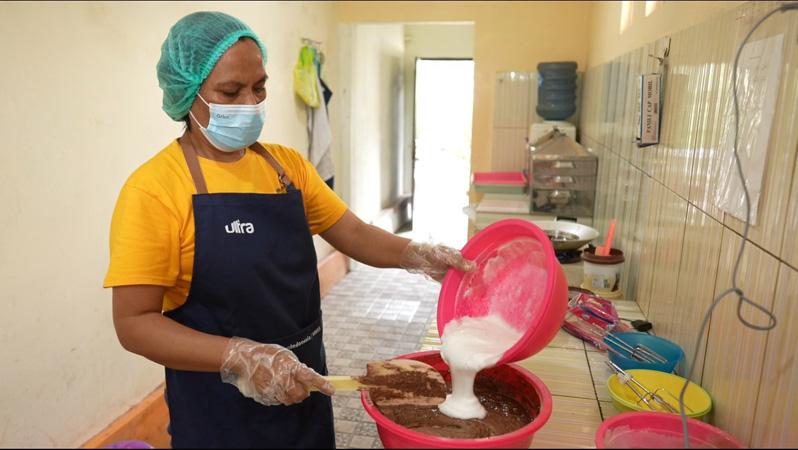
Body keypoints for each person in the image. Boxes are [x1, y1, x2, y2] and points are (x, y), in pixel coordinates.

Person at [103, 11, 475, 449]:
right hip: (219, 413)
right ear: (189, 94)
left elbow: (351, 233)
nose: (250, 103)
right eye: (230, 91)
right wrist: (239, 356)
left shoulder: (286, 166)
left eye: (259, 87)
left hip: (302, 389)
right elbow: (134, 323)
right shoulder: (155, 190)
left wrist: (418, 254)